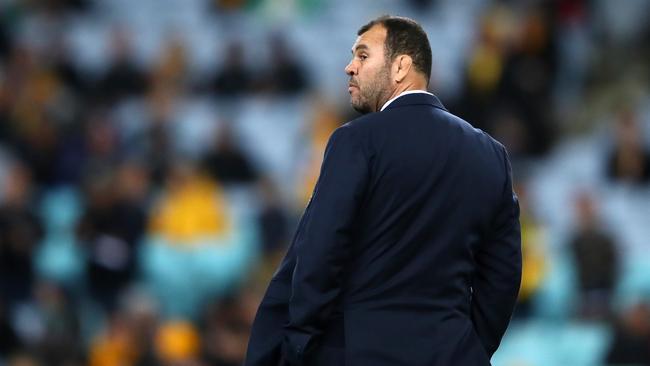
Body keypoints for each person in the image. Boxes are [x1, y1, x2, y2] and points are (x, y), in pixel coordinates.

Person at [245, 15, 522, 366]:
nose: (349, 67)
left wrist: (300, 341)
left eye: (362, 56)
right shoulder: (490, 154)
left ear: (400, 66)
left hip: (358, 352)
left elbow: (321, 251)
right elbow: (503, 274)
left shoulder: (356, 140)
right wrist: (470, 345)